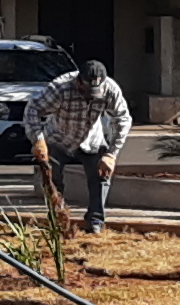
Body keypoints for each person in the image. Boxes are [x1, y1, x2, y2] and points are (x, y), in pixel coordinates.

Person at [32, 55, 131, 232]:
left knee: (101, 175)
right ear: (79, 82)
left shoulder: (110, 89)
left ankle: (95, 222)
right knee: (53, 179)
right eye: (86, 90)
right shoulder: (59, 88)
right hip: (57, 138)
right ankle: (58, 219)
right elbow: (33, 109)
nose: (90, 97)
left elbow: (122, 119)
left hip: (91, 140)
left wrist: (112, 154)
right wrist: (37, 139)